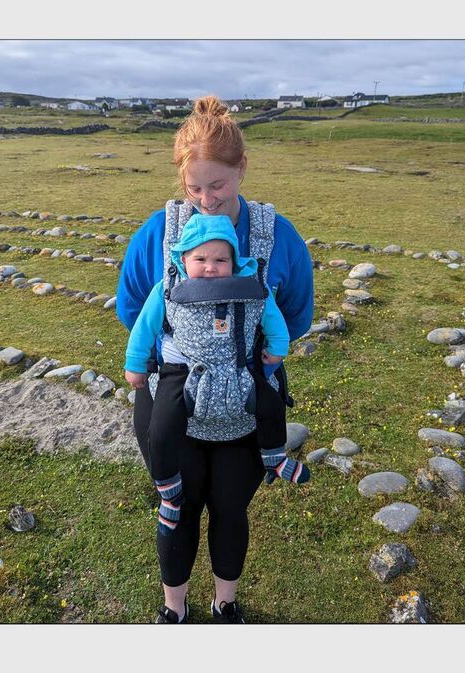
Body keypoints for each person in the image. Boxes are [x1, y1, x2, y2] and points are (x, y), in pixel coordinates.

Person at [116, 95, 314, 624]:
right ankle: (174, 612)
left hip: (245, 408)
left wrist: (253, 352)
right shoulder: (158, 234)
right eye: (194, 187)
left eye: (218, 185)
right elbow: (134, 308)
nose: (206, 199)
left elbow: (296, 314)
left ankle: (225, 605)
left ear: (242, 168)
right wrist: (181, 354)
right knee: (177, 511)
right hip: (172, 403)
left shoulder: (278, 236)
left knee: (230, 509)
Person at [123, 213, 310, 536]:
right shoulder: (166, 289)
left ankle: (275, 457)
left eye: (220, 260)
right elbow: (143, 327)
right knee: (162, 428)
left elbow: (274, 319)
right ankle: (169, 492)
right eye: (200, 259)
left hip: (238, 368)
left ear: (234, 262)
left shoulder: (251, 288)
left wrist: (278, 348)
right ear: (183, 259)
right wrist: (135, 363)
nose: (210, 267)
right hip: (181, 372)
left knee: (270, 404)